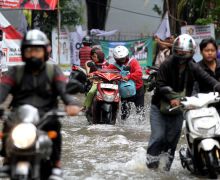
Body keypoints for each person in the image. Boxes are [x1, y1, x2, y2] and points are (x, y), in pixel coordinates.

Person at [0, 29, 82, 180]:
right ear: (23, 52)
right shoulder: (15, 71)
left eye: (37, 50)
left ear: (45, 51)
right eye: (29, 50)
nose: (33, 54)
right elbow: (2, 90)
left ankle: (56, 163)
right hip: (20, 116)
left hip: (46, 116)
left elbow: (64, 90)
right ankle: (7, 159)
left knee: (55, 126)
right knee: (7, 123)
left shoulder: (53, 70)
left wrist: (71, 103)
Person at [146, 34, 220, 171]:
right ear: (175, 50)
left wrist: (218, 87)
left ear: (191, 53)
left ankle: (165, 170)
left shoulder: (193, 66)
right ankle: (151, 168)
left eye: (185, 53)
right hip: (159, 107)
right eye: (179, 52)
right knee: (158, 137)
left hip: (179, 108)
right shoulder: (166, 64)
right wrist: (172, 97)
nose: (182, 56)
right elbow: (160, 84)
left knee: (171, 141)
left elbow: (209, 80)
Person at [106, 45, 144, 120]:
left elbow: (139, 73)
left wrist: (128, 77)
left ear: (127, 55)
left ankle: (141, 123)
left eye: (124, 58)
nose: (123, 60)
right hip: (124, 91)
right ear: (116, 58)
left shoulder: (133, 62)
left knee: (140, 111)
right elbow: (105, 72)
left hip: (138, 89)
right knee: (125, 113)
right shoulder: (113, 66)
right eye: (120, 59)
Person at [193, 37, 220, 113]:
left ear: (216, 51)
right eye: (207, 50)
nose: (210, 53)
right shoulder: (196, 68)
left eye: (212, 50)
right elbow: (194, 89)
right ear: (201, 52)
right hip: (205, 108)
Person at [83, 48, 108, 114]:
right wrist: (91, 75)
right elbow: (89, 74)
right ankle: (86, 106)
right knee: (91, 92)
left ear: (100, 56)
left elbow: (110, 71)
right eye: (92, 56)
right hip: (96, 81)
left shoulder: (106, 64)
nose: (92, 57)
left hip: (105, 82)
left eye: (94, 56)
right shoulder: (90, 63)